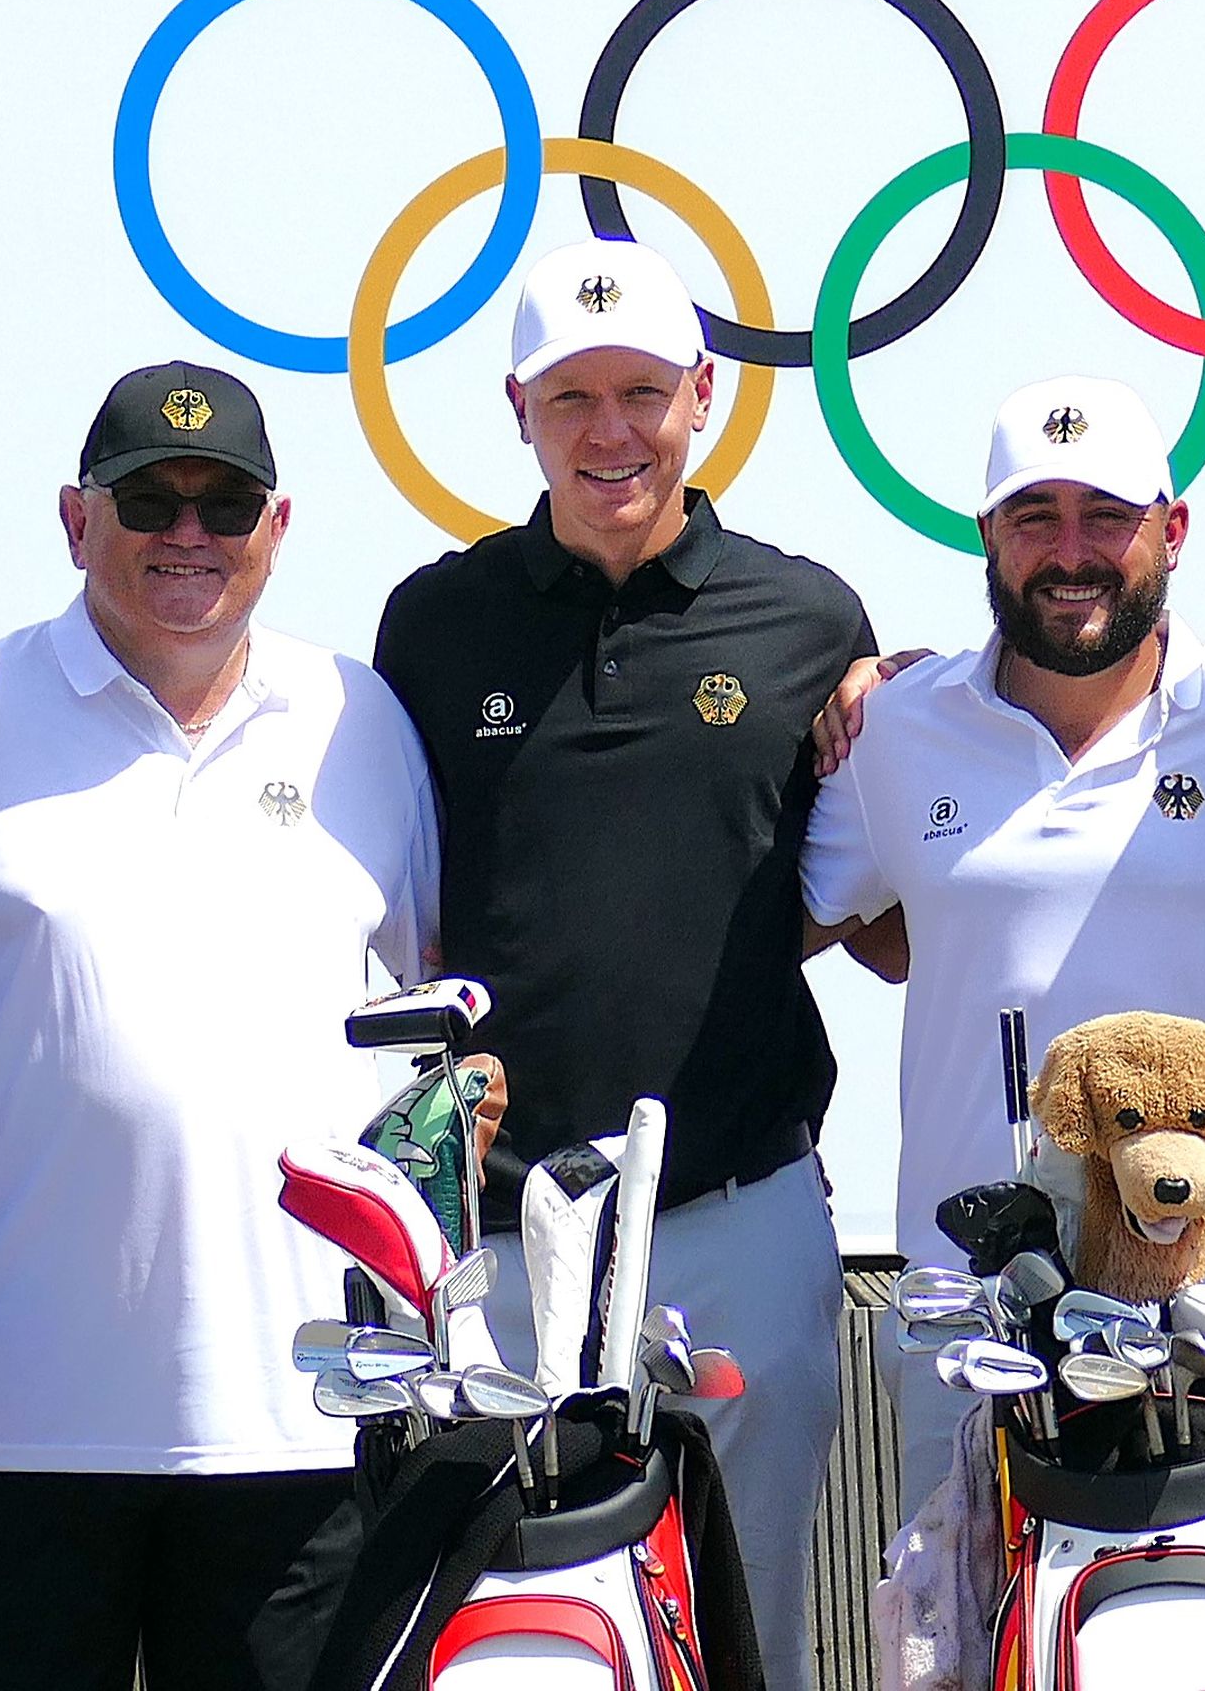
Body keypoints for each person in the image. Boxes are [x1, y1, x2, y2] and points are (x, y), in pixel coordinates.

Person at [0, 363, 443, 1691]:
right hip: (21, 1421)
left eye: (225, 503)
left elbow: (446, 1011)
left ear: (279, 529)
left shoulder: (362, 721)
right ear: (78, 522)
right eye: (151, 501)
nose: (189, 534)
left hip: (301, 1415)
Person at [371, 236, 875, 1690]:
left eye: (642, 392)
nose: (611, 432)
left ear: (703, 396)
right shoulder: (435, 622)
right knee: (513, 1635)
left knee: (750, 1622)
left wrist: (884, 694)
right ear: (516, 408)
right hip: (507, 1229)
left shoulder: (807, 619)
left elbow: (858, 879)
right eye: (571, 395)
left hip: (741, 1211)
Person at [797, 375, 1205, 1514]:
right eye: (1033, 516)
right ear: (986, 537)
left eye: (1107, 515)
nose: (1070, 550)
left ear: (1173, 532)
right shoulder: (896, 726)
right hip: (975, 1314)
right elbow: (822, 914)